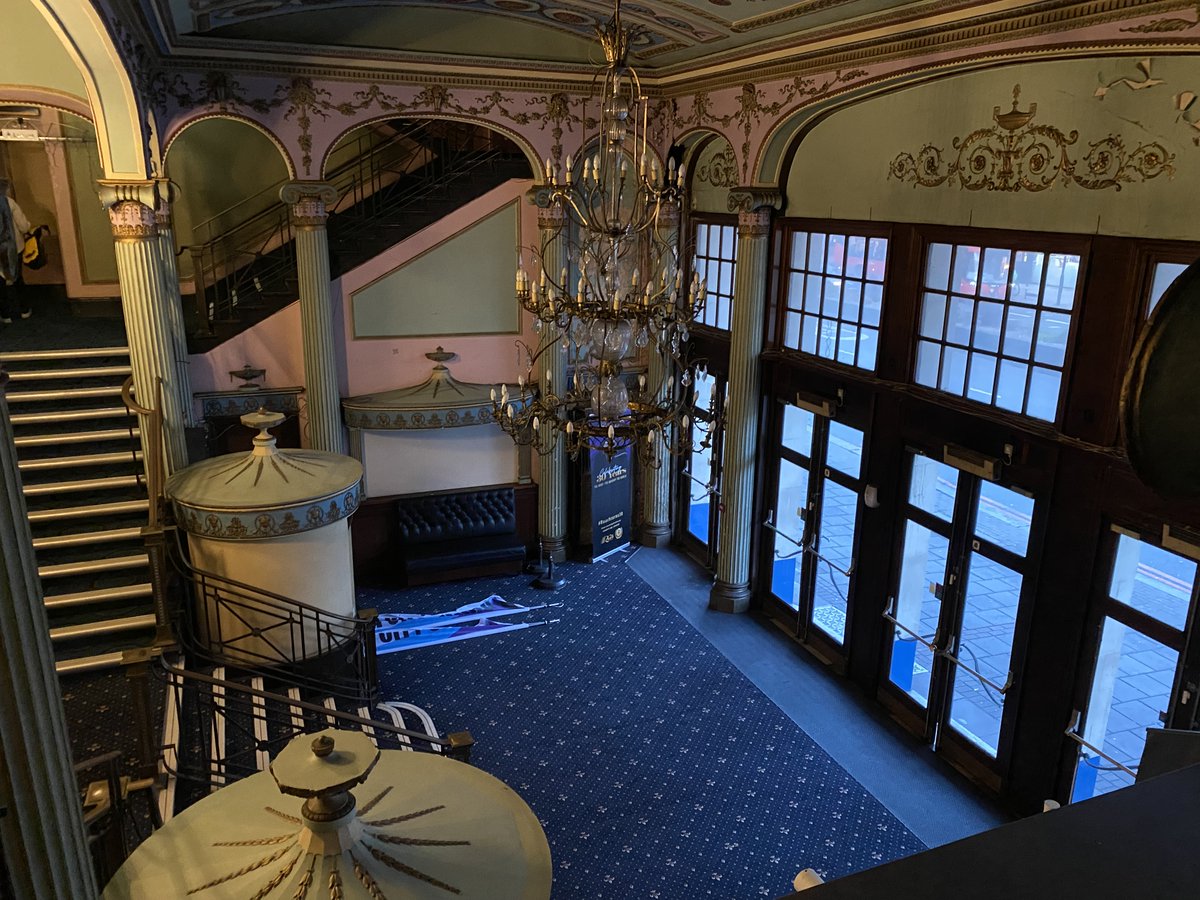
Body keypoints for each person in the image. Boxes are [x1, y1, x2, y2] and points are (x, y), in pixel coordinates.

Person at [0, 180, 32, 324]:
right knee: (17, 278)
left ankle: (5, 314)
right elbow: (23, 226)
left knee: (0, 282)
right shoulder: (9, 203)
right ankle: (24, 310)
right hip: (13, 247)